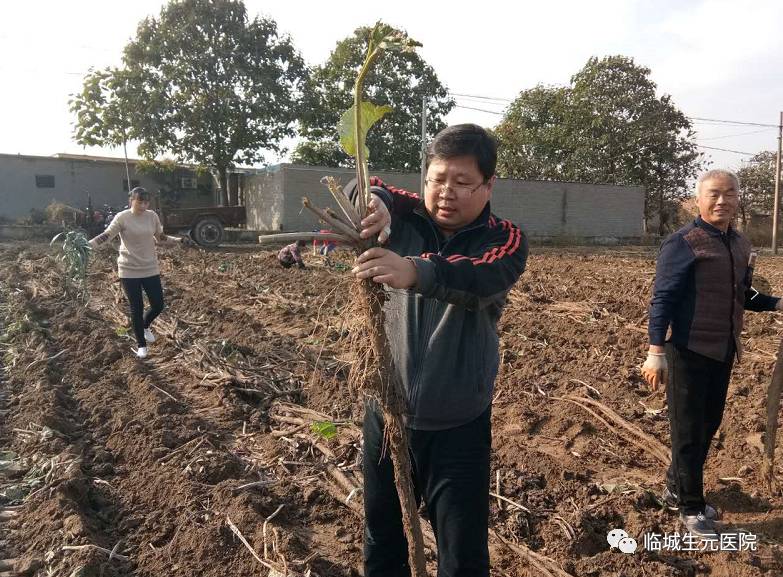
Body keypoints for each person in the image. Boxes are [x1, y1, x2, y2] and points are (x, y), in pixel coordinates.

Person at [351, 124, 528, 576]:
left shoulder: (503, 239)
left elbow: (479, 278)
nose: (447, 192)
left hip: (458, 424)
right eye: (437, 179)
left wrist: (415, 270)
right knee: (382, 539)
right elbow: (363, 181)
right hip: (387, 413)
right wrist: (378, 205)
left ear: (489, 185)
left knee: (462, 553)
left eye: (463, 182)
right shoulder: (406, 218)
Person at [642, 169, 782, 539]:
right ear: (698, 199)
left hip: (722, 350)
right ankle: (690, 507)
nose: (723, 201)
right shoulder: (683, 242)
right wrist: (656, 351)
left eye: (730, 194)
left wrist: (776, 303)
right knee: (687, 431)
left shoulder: (739, 244)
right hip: (687, 350)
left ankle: (675, 486)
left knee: (706, 426)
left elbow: (744, 295)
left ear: (738, 198)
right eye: (714, 195)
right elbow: (663, 299)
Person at [89, 187, 190, 359]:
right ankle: (141, 345)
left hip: (150, 267)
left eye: (146, 202)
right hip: (129, 269)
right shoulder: (123, 217)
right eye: (139, 201)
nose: (143, 205)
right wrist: (88, 245)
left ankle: (144, 325)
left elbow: (161, 237)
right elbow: (107, 235)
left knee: (158, 304)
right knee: (137, 307)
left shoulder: (152, 216)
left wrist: (180, 240)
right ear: (131, 200)